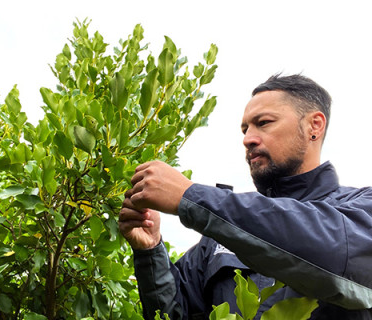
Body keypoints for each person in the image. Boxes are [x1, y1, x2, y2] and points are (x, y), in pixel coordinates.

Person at [118, 74, 372, 319]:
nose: (248, 139)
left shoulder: (360, 209)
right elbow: (172, 313)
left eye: (264, 123)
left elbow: (333, 253)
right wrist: (150, 250)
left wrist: (190, 197)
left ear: (313, 126)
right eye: (245, 129)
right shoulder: (216, 240)